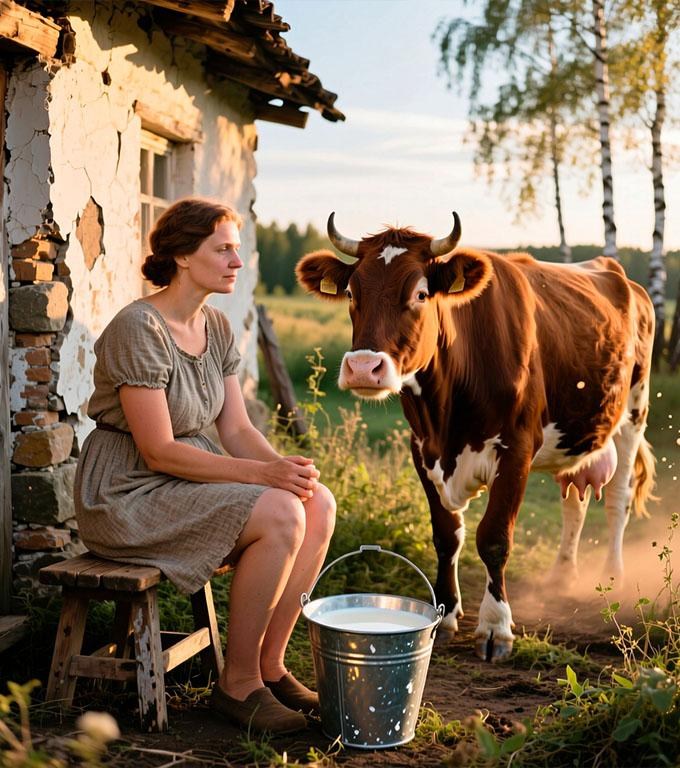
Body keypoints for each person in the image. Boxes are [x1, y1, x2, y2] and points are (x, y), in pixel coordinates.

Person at [75, 197, 336, 734]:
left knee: (316, 502)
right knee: (282, 513)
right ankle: (237, 686)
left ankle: (268, 665)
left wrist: (284, 468)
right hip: (127, 492)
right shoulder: (139, 328)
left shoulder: (215, 326)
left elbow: (236, 430)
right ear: (182, 257)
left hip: (183, 479)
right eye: (223, 249)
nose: (236, 262)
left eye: (236, 249)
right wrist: (264, 479)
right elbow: (159, 451)